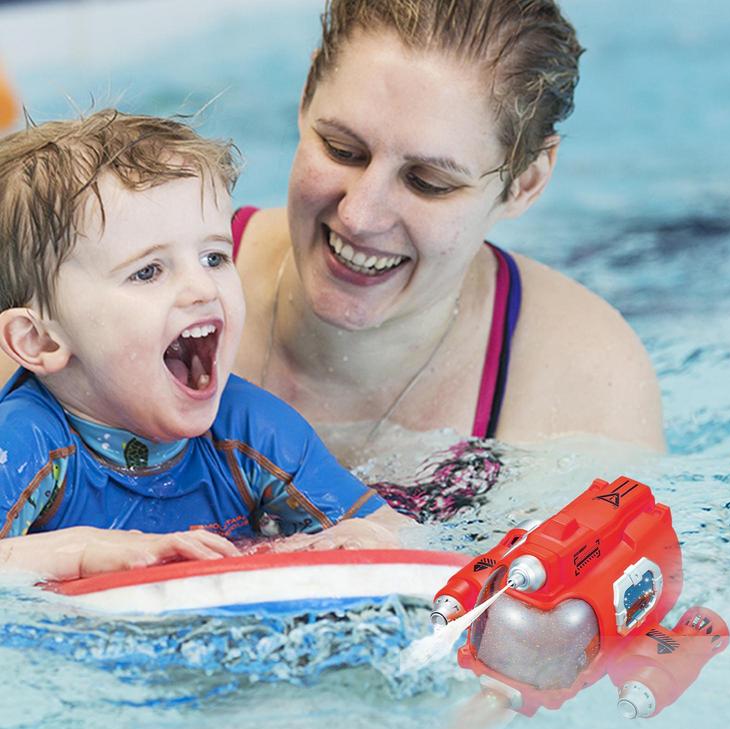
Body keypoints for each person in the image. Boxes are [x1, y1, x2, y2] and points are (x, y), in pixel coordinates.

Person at [229, 0, 666, 463]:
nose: (360, 215)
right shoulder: (158, 278)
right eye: (342, 150)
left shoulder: (583, 383)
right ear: (305, 97)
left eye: (428, 183)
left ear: (524, 183)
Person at [0, 110, 406, 582]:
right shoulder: (24, 443)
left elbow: (396, 533)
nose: (203, 289)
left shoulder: (251, 433)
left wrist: (361, 539)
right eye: (148, 271)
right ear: (41, 340)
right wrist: (83, 552)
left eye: (214, 257)